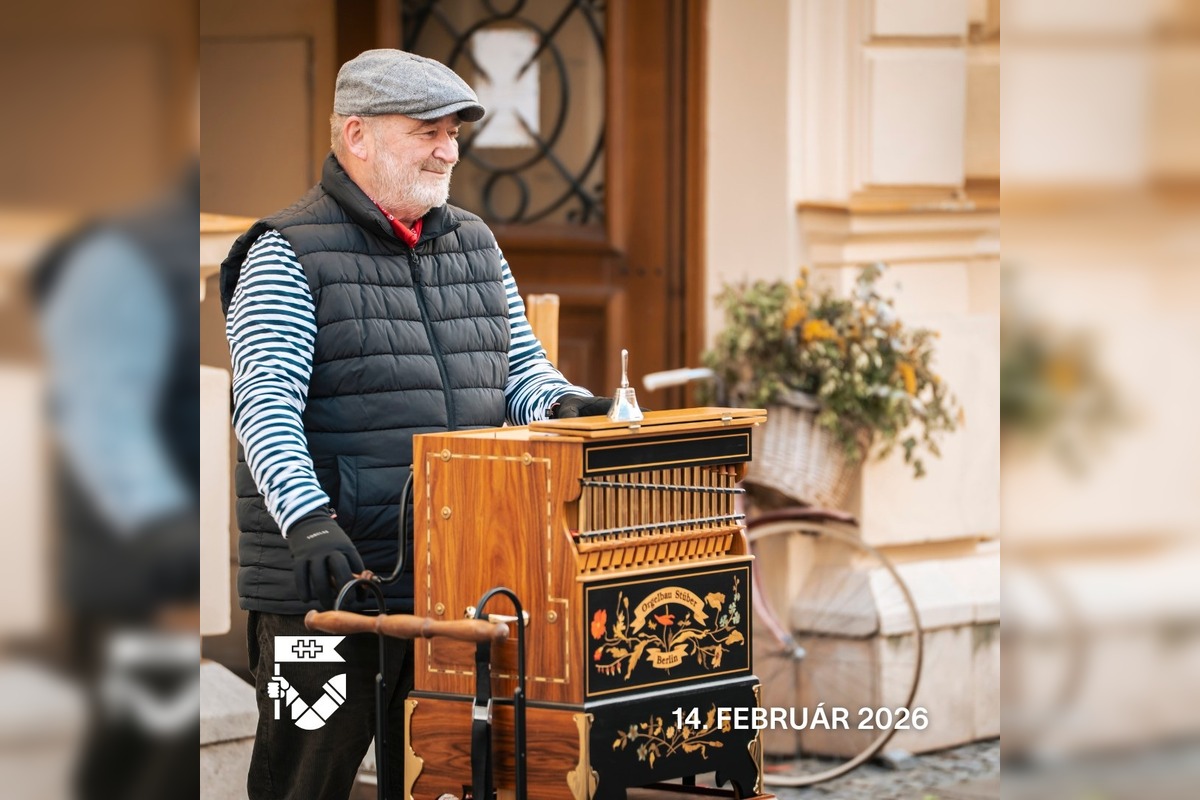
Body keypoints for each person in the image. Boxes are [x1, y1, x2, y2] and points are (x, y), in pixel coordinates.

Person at [220, 49, 613, 800]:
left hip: (456, 575)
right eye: (426, 129)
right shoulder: (287, 250)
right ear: (357, 136)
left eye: (455, 131)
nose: (449, 149)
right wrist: (307, 522)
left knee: (441, 779)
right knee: (307, 781)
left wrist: (565, 406)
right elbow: (265, 405)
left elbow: (518, 372)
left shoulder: (474, 242)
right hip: (328, 591)